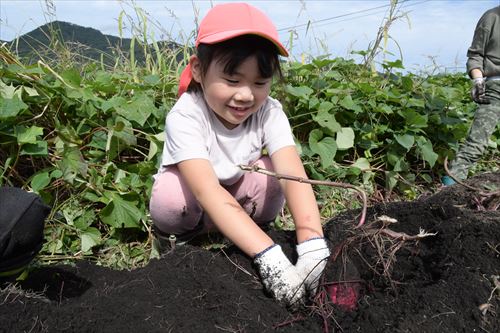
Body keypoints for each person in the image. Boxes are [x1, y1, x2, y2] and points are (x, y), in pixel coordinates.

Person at [148, 3, 330, 308]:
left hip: (236, 192)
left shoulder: (269, 111)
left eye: (260, 82)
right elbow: (206, 190)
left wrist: (312, 242)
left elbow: (292, 173)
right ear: (198, 70)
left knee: (273, 173)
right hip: (197, 200)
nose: (246, 95)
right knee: (170, 197)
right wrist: (268, 254)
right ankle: (195, 234)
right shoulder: (186, 115)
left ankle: (239, 229)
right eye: (232, 80)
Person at [442, 6, 500, 185]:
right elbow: (475, 55)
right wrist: (478, 81)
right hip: (496, 88)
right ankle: (445, 195)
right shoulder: (491, 17)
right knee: (476, 144)